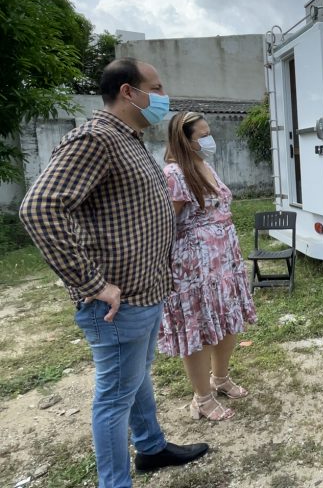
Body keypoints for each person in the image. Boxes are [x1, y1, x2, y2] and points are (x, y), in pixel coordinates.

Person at [19, 58, 208, 487]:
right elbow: (39, 208)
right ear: (129, 92)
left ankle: (151, 447)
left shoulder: (130, 138)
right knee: (114, 397)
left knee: (135, 379)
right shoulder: (96, 138)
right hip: (117, 303)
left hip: (144, 293)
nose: (163, 97)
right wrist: (93, 284)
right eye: (156, 88)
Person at [158, 111, 257, 421]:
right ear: (185, 140)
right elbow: (164, 223)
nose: (209, 139)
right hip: (194, 268)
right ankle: (201, 397)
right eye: (202, 135)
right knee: (198, 328)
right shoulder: (175, 173)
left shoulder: (206, 165)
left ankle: (221, 378)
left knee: (228, 319)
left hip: (224, 262)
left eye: (208, 132)